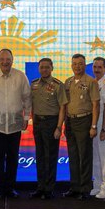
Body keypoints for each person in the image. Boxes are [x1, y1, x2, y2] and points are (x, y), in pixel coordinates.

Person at [0, 49, 31, 199]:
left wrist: (26, 117)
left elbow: (27, 98)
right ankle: (0, 188)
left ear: (12, 60)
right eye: (2, 59)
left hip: (15, 125)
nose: (5, 62)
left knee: (13, 158)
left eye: (8, 59)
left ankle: (10, 188)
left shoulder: (20, 76)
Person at [29, 58, 66, 199]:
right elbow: (31, 104)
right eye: (42, 67)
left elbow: (63, 107)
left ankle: (49, 189)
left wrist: (58, 127)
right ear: (38, 68)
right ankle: (40, 187)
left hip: (52, 123)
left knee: (50, 157)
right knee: (40, 156)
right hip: (38, 123)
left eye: (47, 67)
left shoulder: (58, 85)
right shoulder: (34, 84)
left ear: (52, 68)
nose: (44, 69)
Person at [64, 54, 99, 199]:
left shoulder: (91, 82)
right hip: (70, 122)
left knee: (84, 156)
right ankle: (74, 187)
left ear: (85, 65)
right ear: (71, 66)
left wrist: (94, 126)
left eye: (80, 64)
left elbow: (96, 105)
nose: (77, 66)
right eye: (75, 64)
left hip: (85, 121)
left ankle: (84, 189)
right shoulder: (68, 82)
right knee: (73, 155)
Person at [90, 57, 105, 199]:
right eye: (95, 67)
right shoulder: (93, 83)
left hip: (103, 123)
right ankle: (97, 185)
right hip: (93, 123)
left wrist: (104, 128)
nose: (97, 70)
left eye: (100, 67)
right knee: (96, 156)